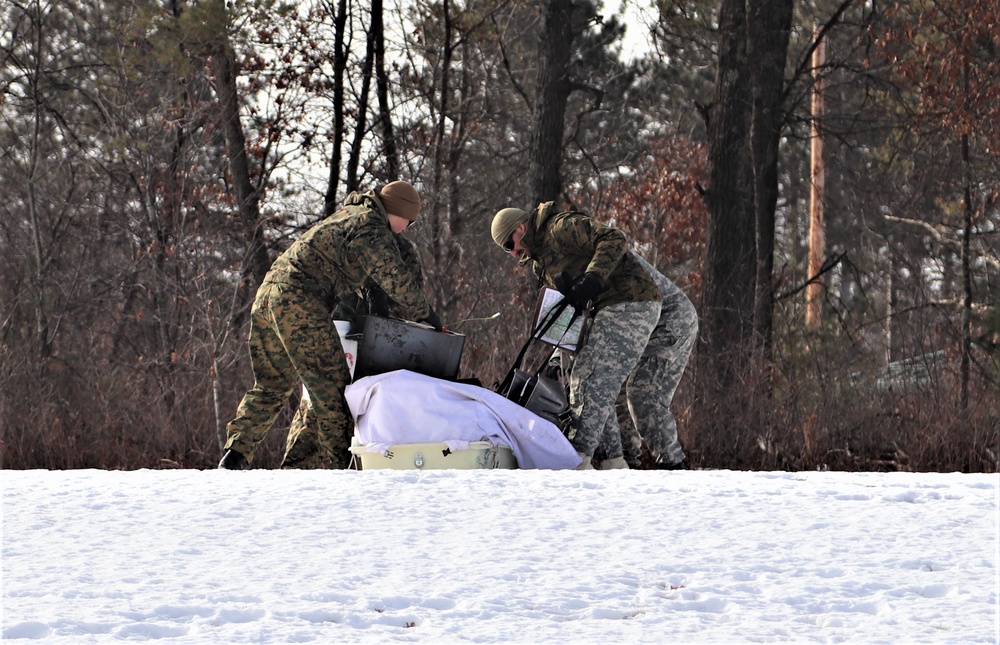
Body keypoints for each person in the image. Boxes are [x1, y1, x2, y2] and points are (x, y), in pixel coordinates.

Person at [219, 181, 440, 470]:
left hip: (270, 292)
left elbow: (348, 267)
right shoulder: (371, 227)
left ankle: (233, 455)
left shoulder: (350, 216)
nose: (406, 228)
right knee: (333, 390)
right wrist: (427, 316)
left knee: (273, 385)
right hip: (299, 299)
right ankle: (345, 469)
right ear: (397, 211)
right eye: (408, 221)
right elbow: (395, 279)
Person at [490, 202, 698, 470]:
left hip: (661, 313)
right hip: (623, 307)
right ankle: (621, 464)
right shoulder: (542, 264)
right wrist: (557, 357)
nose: (512, 253)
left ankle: (592, 461)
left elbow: (613, 238)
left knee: (623, 388)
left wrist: (592, 280)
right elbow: (566, 312)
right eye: (505, 250)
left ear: (520, 228)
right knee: (607, 387)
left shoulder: (560, 228)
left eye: (509, 244)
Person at [279, 234, 428, 470]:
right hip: (338, 332)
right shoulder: (347, 239)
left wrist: (388, 312)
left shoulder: (402, 249)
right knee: (317, 407)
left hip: (383, 340)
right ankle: (295, 474)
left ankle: (356, 471)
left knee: (367, 412)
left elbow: (412, 298)